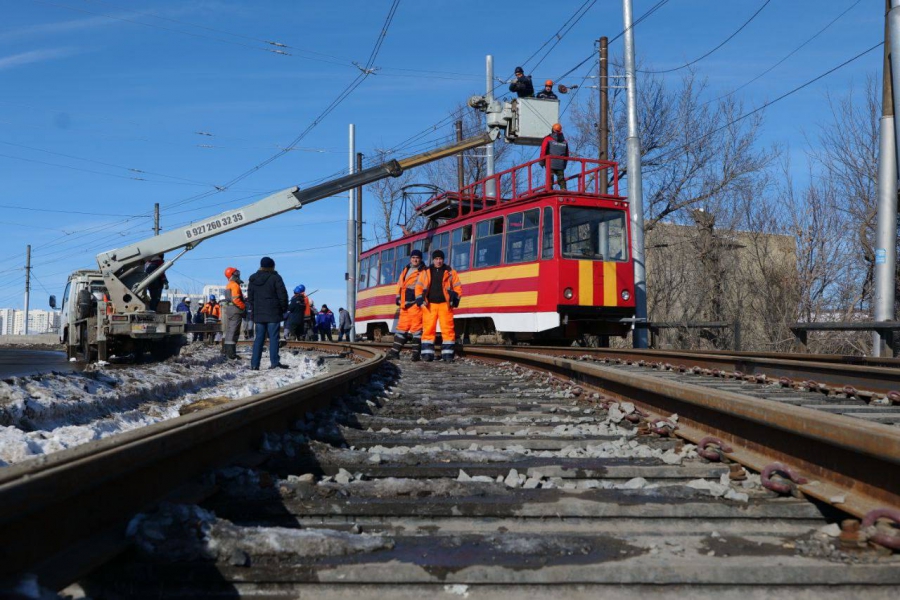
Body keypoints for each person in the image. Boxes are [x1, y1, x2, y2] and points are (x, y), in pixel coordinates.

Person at [416, 249, 463, 362]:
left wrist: (455, 297)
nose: (438, 261)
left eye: (440, 259)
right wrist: (420, 299)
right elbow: (418, 287)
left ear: (443, 259)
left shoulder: (451, 272)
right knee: (428, 330)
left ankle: (448, 355)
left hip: (445, 305)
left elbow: (458, 287)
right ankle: (427, 355)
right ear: (433, 260)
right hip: (429, 305)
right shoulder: (425, 271)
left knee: (448, 330)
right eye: (436, 259)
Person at [247, 256, 289, 370]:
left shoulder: (253, 279)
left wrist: (255, 308)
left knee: (259, 338)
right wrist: (284, 309)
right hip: (273, 313)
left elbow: (250, 298)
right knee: (274, 338)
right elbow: (282, 295)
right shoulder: (276, 278)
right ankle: (274, 362)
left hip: (259, 313)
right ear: (271, 266)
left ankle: (254, 364)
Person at [388, 249, 426, 361]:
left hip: (415, 304)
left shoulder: (423, 271)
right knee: (401, 329)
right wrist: (398, 297)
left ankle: (415, 355)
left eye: (417, 258)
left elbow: (424, 286)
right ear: (410, 259)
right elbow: (400, 284)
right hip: (404, 305)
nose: (415, 259)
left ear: (420, 259)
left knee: (416, 330)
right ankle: (394, 353)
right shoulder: (406, 269)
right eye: (413, 257)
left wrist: (420, 300)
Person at [222, 267, 246, 360]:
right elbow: (236, 299)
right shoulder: (235, 285)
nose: (238, 274)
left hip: (230, 309)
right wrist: (243, 306)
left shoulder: (229, 285)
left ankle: (227, 351)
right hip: (235, 309)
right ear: (232, 274)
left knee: (229, 330)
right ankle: (231, 353)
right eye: (236, 273)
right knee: (234, 331)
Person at [540, 123, 570, 191]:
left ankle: (549, 189)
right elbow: (567, 154)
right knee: (561, 177)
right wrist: (564, 164)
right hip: (560, 163)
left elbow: (543, 150)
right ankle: (563, 188)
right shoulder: (564, 141)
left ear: (553, 129)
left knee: (550, 177)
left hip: (550, 162)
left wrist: (541, 161)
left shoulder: (547, 139)